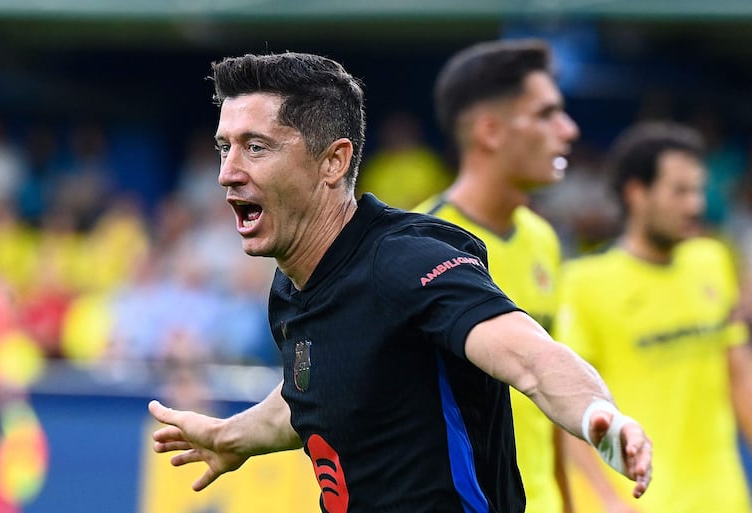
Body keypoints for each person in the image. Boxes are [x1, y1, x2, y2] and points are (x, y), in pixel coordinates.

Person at [147, 51, 653, 513]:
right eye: (223, 148)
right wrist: (234, 435)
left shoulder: (404, 261)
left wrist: (597, 418)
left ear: (334, 162)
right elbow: (315, 389)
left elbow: (531, 356)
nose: (226, 173)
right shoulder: (293, 286)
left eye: (255, 147)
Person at [414, 39, 579, 513]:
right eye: (547, 114)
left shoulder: (543, 238)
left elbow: (552, 389)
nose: (568, 130)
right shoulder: (420, 246)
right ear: (490, 131)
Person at [555, 121, 752, 513]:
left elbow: (739, 373)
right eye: (680, 191)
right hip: (634, 501)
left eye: (697, 189)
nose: (695, 204)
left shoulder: (712, 260)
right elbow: (565, 407)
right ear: (636, 193)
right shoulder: (584, 284)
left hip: (723, 496)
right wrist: (608, 500)